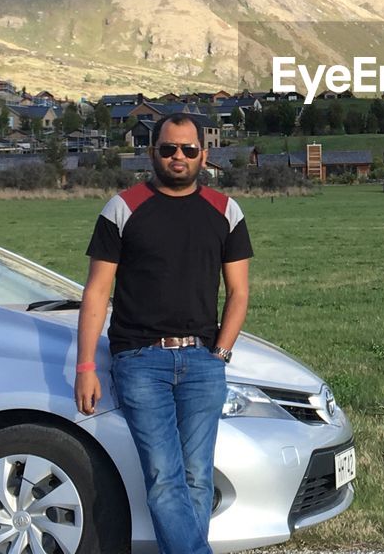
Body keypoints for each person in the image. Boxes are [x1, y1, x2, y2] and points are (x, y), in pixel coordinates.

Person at [75, 113, 252, 554]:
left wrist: (221, 355)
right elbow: (97, 292)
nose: (179, 157)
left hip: (202, 362)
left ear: (204, 156)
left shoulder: (226, 211)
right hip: (139, 362)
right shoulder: (122, 208)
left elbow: (239, 292)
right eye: (169, 148)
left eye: (189, 150)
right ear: (153, 152)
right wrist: (86, 366)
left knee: (197, 477)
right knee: (162, 477)